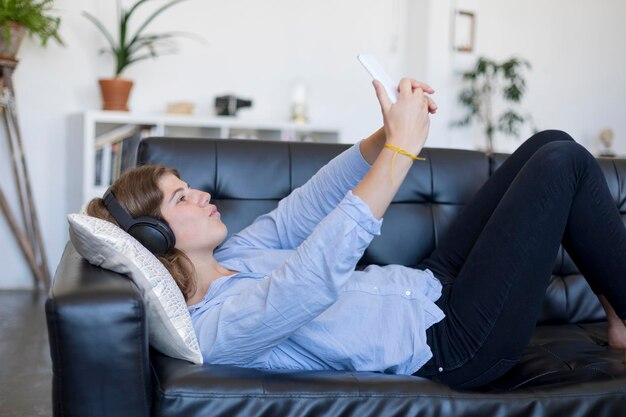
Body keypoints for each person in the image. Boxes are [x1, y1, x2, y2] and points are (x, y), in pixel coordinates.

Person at [86, 78, 626, 389]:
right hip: (451, 344)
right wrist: (401, 153)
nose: (201, 194)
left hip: (430, 288)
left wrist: (383, 136)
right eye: (182, 198)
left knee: (547, 141)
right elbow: (308, 280)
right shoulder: (215, 327)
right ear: (156, 238)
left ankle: (616, 312)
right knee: (564, 163)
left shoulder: (235, 252)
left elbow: (308, 207)